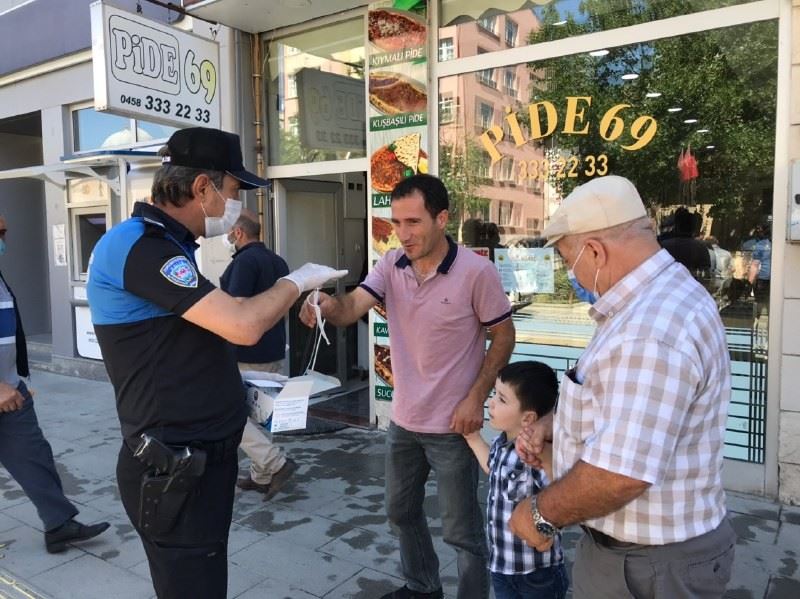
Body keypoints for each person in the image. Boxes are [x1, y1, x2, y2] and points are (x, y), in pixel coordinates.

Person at [87, 127, 345, 599]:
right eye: (233, 189)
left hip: (199, 460)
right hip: (173, 467)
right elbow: (243, 325)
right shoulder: (142, 246)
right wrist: (297, 281)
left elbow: (183, 339)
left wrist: (237, 383)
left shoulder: (172, 244)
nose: (236, 203)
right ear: (202, 187)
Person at [509, 176, 735, 599]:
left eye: (568, 259)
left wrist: (539, 514)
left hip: (648, 567)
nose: (570, 273)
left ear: (595, 251)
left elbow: (621, 474)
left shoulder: (650, 329)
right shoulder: (653, 302)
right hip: (646, 558)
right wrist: (556, 426)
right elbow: (620, 400)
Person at [299, 174, 516, 599]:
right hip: (404, 421)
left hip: (454, 426)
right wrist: (327, 304)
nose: (403, 233)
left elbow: (503, 335)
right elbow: (352, 307)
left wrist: (476, 398)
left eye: (413, 222)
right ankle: (423, 587)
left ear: (442, 219)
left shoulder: (477, 272)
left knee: (462, 532)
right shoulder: (391, 264)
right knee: (399, 512)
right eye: (396, 222)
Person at [0, 215, 110, 554]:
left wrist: (14, 379)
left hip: (12, 392)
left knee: (35, 457)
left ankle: (59, 524)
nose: (3, 241)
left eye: (4, 232)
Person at [463, 361, 568, 599]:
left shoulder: (536, 453)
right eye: (494, 394)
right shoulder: (501, 444)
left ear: (528, 418)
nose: (491, 402)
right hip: (502, 565)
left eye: (502, 399)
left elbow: (560, 491)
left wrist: (546, 458)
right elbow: (493, 468)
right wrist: (473, 440)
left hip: (537, 572)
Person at [219, 211, 296, 497]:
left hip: (246, 352)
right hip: (273, 347)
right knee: (260, 413)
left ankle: (275, 463)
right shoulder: (277, 261)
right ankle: (261, 476)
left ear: (239, 233)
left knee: (230, 415)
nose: (227, 235)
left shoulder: (244, 263)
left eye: (230, 231)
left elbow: (237, 308)